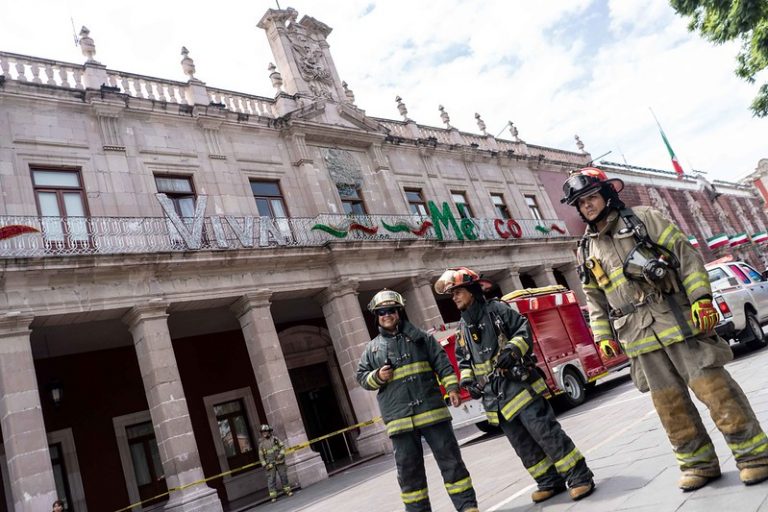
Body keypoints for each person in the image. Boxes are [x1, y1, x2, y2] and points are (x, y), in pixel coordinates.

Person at [562, 166, 768, 491]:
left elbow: (687, 257)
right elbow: (594, 297)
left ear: (607, 194)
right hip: (639, 339)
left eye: (590, 197)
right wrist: (602, 336)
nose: (586, 206)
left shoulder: (644, 218)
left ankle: (754, 456)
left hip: (680, 323)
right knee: (670, 408)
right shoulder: (587, 248)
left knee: (716, 393)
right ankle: (699, 465)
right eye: (579, 202)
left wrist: (701, 298)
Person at [435, 267, 595, 503]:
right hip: (495, 399)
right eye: (452, 294)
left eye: (457, 292)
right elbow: (463, 359)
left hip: (520, 388)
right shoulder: (463, 327)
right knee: (523, 445)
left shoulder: (497, 310)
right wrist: (468, 381)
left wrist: (512, 349)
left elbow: (523, 330)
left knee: (546, 433)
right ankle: (548, 481)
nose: (455, 297)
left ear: (471, 290)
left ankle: (580, 476)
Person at [356, 289, 479, 512]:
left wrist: (452, 387)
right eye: (382, 311)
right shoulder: (371, 349)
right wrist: (377, 376)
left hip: (432, 412)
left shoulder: (422, 338)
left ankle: (467, 507)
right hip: (400, 420)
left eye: (391, 310)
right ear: (377, 315)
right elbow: (362, 378)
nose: (387, 314)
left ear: (398, 312)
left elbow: (442, 363)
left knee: (451, 462)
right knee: (409, 473)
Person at [257, 424, 294, 502]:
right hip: (270, 464)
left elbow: (282, 447)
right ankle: (273, 496)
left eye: (265, 431)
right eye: (262, 432)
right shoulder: (261, 444)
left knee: (283, 476)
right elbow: (261, 456)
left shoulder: (275, 439)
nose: (264, 433)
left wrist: (280, 455)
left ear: (269, 431)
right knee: (271, 480)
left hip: (279, 461)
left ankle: (288, 491)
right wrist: (264, 465)